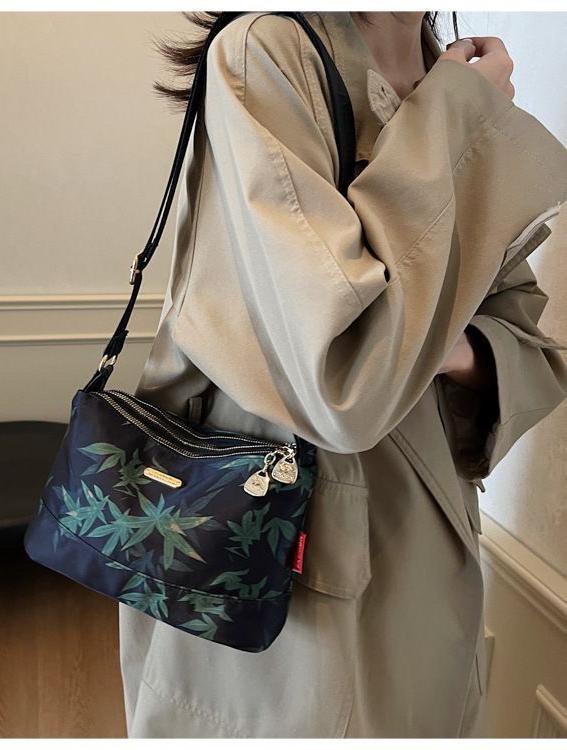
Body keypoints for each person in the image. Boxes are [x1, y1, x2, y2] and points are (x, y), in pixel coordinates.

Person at [117, 10, 567, 738]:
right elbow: (343, 380)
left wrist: (451, 349)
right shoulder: (268, 52)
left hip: (425, 538)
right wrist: (458, 111)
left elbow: (522, 336)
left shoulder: (445, 67)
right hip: (286, 560)